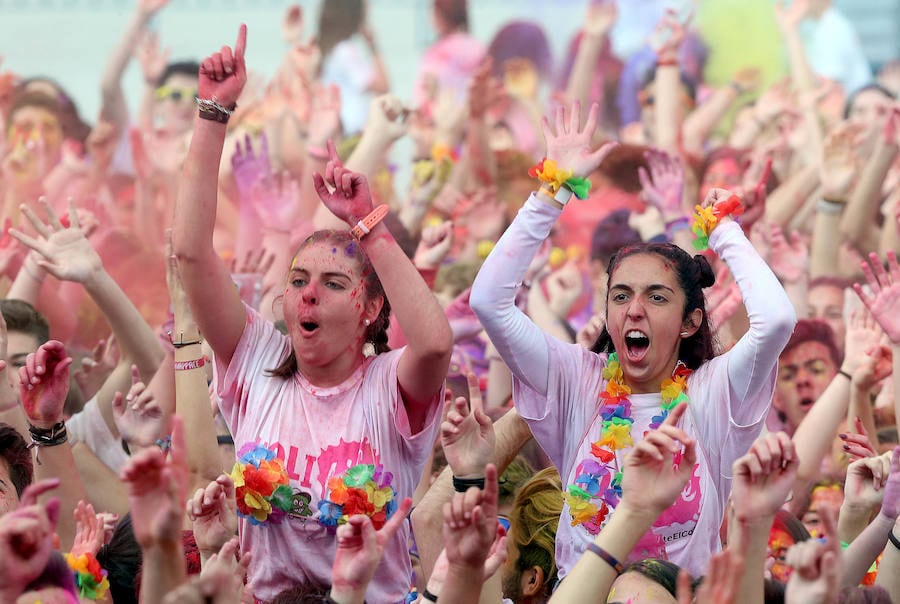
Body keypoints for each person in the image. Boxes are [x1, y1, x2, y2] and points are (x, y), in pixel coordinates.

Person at [172, 25, 452, 602]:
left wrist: (367, 221)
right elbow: (192, 252)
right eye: (298, 280)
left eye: (331, 284)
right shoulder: (255, 359)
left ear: (372, 308)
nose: (307, 295)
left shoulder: (388, 386)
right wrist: (212, 114)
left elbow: (433, 346)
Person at [470, 101, 796, 578]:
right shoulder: (577, 381)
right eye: (620, 296)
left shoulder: (713, 392)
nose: (634, 309)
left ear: (689, 323)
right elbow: (489, 302)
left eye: (657, 297)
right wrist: (553, 189)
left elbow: (777, 319)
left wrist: (722, 227)